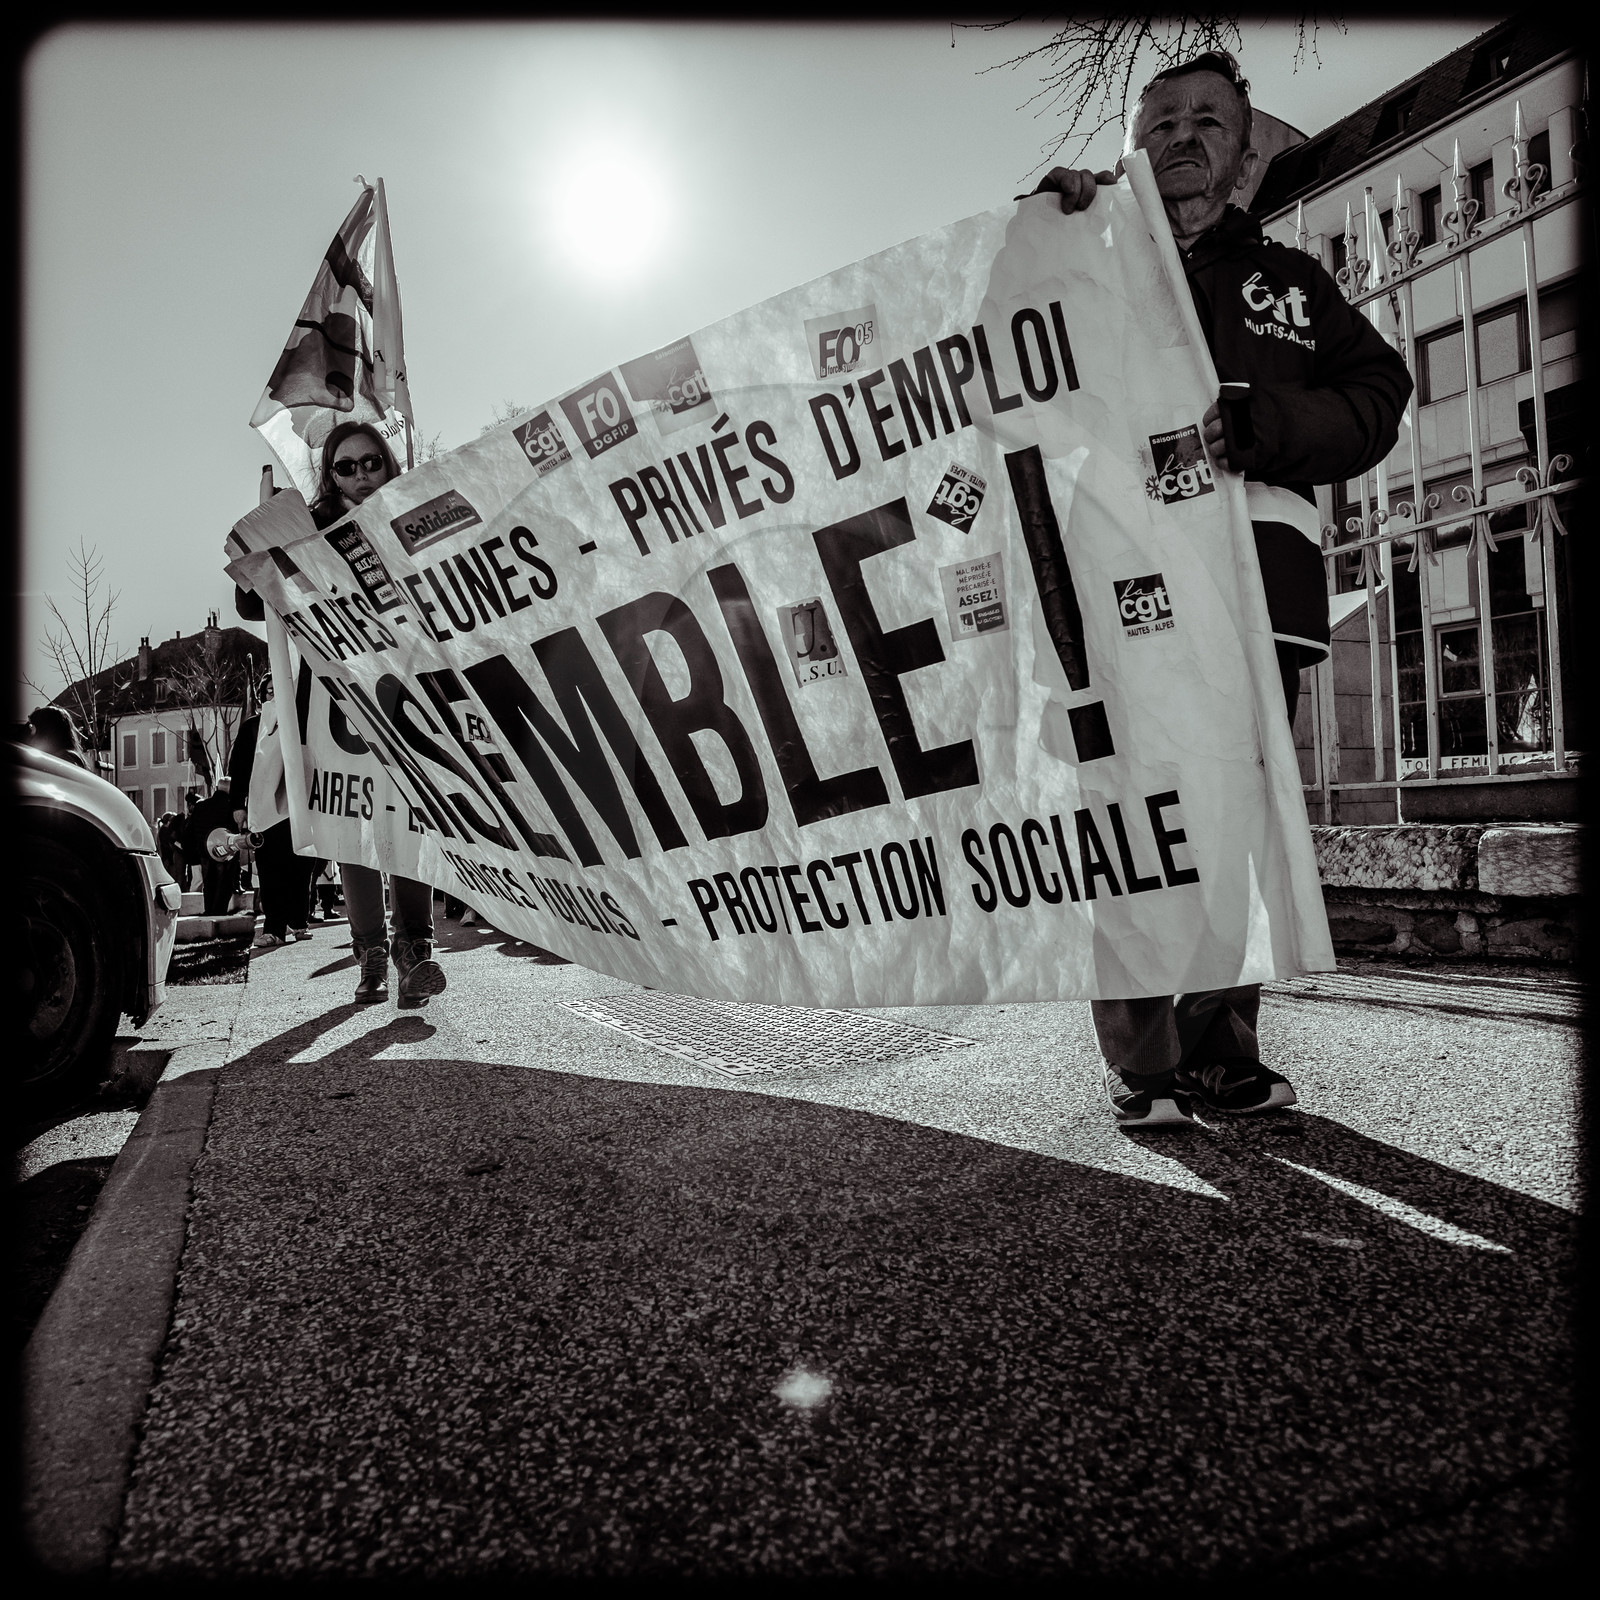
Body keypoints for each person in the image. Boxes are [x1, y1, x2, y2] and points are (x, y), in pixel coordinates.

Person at [1028, 51, 1411, 1128]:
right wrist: (1039, 238)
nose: (1183, 137)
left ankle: (1216, 1054)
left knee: (1232, 826)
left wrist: (1269, 424)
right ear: (1128, 148)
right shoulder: (1077, 260)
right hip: (1115, 593)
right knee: (1134, 822)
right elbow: (990, 372)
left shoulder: (1291, 285)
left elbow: (1380, 391)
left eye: (1209, 122)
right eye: (1160, 121)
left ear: (1242, 157)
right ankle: (1142, 1062)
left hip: (1255, 599)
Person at [235, 421, 446, 1008]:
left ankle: (415, 951)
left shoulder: (414, 514)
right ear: (330, 476)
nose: (360, 475)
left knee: (413, 820)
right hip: (334, 703)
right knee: (354, 829)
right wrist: (269, 532)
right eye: (345, 467)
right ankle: (371, 954)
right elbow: (252, 601)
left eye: (370, 462)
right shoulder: (311, 529)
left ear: (389, 464)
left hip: (405, 694)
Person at [229, 672, 315, 948]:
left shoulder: (304, 723)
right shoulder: (252, 727)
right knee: (270, 870)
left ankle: (299, 921)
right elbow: (239, 768)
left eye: (280, 690)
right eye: (270, 691)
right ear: (262, 697)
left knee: (302, 866)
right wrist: (238, 806)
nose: (275, 696)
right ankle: (274, 928)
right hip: (266, 811)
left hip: (301, 807)